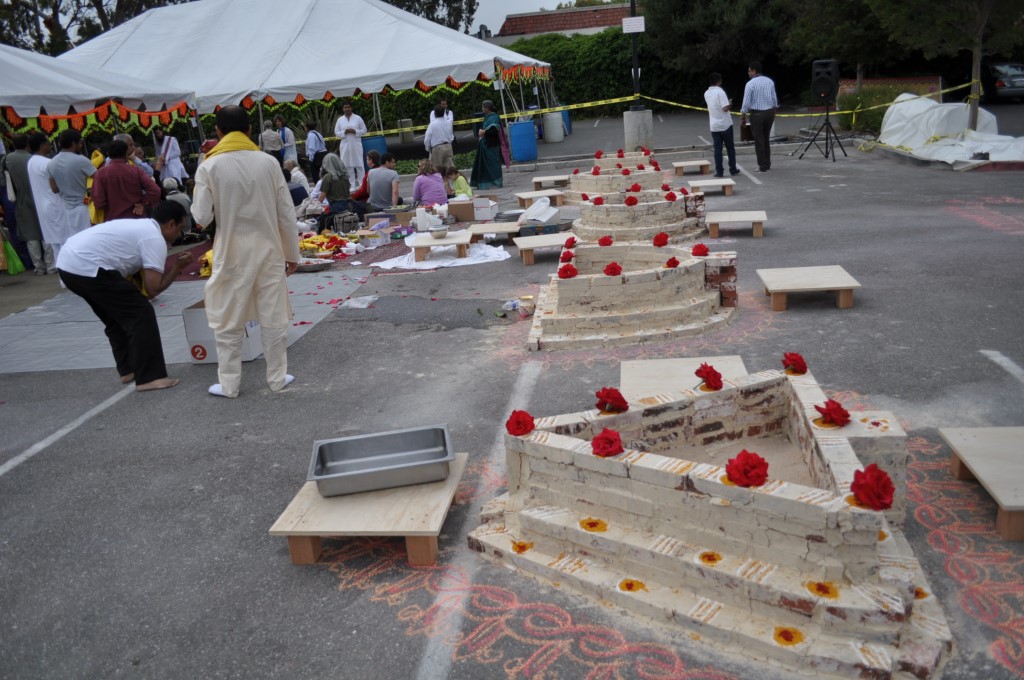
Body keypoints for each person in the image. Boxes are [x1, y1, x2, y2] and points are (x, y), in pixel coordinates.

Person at [191, 105, 300, 399]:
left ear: (218, 132)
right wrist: (292, 254)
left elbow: (201, 217)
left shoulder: (209, 166)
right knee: (273, 316)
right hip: (269, 250)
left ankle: (229, 385)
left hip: (230, 252)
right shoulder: (268, 162)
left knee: (228, 319)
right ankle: (277, 378)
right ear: (250, 130)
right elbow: (286, 214)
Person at [56, 201, 193, 391]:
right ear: (170, 224)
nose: (179, 235)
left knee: (115, 318)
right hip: (88, 265)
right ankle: (150, 377)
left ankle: (128, 369)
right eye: (179, 229)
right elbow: (153, 289)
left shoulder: (142, 227)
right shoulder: (154, 238)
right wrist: (177, 267)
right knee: (141, 313)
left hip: (68, 265)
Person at [2, 133, 54, 274]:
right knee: (45, 232)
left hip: (21, 200)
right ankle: (51, 265)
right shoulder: (33, 159)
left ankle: (38, 267)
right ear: (27, 144)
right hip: (40, 197)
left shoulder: (8, 159)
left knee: (31, 235)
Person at [92, 140, 162, 221]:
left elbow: (98, 202)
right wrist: (143, 203)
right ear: (126, 154)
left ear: (108, 154)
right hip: (136, 217)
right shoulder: (136, 171)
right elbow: (156, 190)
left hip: (113, 221)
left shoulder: (100, 174)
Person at [26, 133, 69, 261]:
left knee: (56, 245)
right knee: (64, 242)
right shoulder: (48, 163)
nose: (51, 146)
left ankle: (62, 271)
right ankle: (67, 270)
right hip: (55, 205)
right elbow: (58, 186)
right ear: (42, 145)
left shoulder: (31, 161)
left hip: (44, 206)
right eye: (49, 143)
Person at [48, 129, 97, 238]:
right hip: (84, 207)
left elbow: (54, 189)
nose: (81, 146)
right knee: (89, 238)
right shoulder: (81, 160)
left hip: (66, 210)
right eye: (80, 143)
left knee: (76, 239)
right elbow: (100, 178)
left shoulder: (51, 163)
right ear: (73, 143)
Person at [740, 61, 779, 173]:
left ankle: (762, 165)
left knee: (758, 140)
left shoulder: (750, 84)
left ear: (754, 71)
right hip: (769, 112)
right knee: (766, 138)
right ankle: (767, 163)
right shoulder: (769, 81)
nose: (748, 73)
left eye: (749, 71)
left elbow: (746, 103)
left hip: (757, 114)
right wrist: (774, 112)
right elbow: (774, 98)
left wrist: (743, 116)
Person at [704, 73, 741, 178]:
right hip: (725, 124)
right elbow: (725, 108)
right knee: (730, 148)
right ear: (719, 81)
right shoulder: (721, 92)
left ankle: (719, 171)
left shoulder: (706, 93)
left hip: (714, 125)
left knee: (717, 149)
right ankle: (733, 169)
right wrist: (730, 103)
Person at [470, 100, 509, 189]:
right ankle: (486, 183)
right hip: (486, 144)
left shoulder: (494, 117)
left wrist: (484, 132)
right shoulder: (488, 117)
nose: (482, 109)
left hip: (492, 145)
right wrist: (482, 132)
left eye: (483, 107)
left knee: (493, 165)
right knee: (485, 166)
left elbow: (494, 130)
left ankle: (496, 183)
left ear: (487, 108)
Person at [333, 101, 367, 189]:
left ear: (351, 108)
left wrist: (355, 131)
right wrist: (344, 132)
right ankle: (351, 185)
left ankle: (362, 185)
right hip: (345, 146)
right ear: (343, 109)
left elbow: (364, 131)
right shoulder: (340, 120)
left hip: (356, 145)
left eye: (348, 107)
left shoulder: (358, 118)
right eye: (345, 107)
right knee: (347, 166)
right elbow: (336, 133)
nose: (347, 109)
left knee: (359, 165)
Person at [423, 104, 454, 173]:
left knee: (436, 170)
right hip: (448, 146)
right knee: (449, 170)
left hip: (437, 148)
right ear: (444, 113)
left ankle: (440, 180)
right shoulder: (448, 123)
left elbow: (427, 138)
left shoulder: (432, 124)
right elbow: (451, 136)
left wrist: (427, 148)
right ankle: (449, 179)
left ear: (435, 114)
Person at [350, 149, 380, 218]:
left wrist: (353, 196)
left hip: (371, 201)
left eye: (367, 159)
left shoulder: (369, 174)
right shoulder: (384, 171)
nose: (366, 161)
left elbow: (364, 191)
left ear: (371, 160)